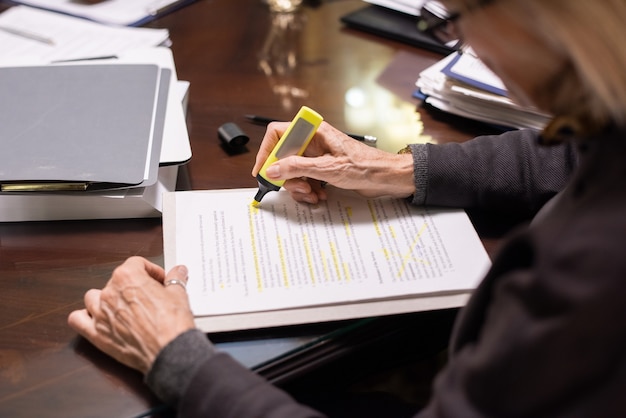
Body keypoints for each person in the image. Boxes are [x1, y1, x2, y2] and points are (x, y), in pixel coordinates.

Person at [67, 0, 626, 416]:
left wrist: (176, 360)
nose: (466, 47)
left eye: (453, 19)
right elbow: (573, 157)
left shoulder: (591, 274)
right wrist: (402, 170)